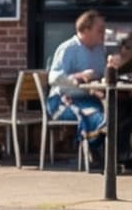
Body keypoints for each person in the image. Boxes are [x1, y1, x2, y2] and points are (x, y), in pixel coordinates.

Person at [46, 10, 112, 158]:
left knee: (117, 115)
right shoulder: (68, 48)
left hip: (90, 98)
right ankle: (93, 151)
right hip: (62, 100)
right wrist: (79, 77)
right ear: (85, 30)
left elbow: (101, 76)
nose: (103, 34)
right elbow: (53, 77)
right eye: (99, 30)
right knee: (96, 118)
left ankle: (111, 155)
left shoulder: (100, 50)